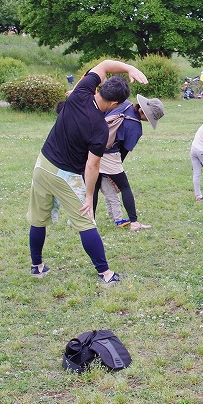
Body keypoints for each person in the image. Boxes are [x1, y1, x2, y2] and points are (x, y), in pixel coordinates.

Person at [27, 60, 147, 284]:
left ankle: (37, 266)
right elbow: (92, 166)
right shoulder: (99, 128)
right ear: (114, 103)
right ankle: (106, 273)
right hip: (65, 176)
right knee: (86, 222)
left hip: (42, 164)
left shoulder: (80, 91)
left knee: (38, 219)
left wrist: (130, 68)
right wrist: (89, 196)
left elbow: (104, 65)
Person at [95, 94, 164, 231]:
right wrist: (115, 170)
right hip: (109, 154)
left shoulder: (123, 103)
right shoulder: (136, 127)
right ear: (144, 112)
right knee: (125, 187)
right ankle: (134, 223)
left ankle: (88, 222)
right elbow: (123, 152)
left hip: (91, 148)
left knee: (94, 188)